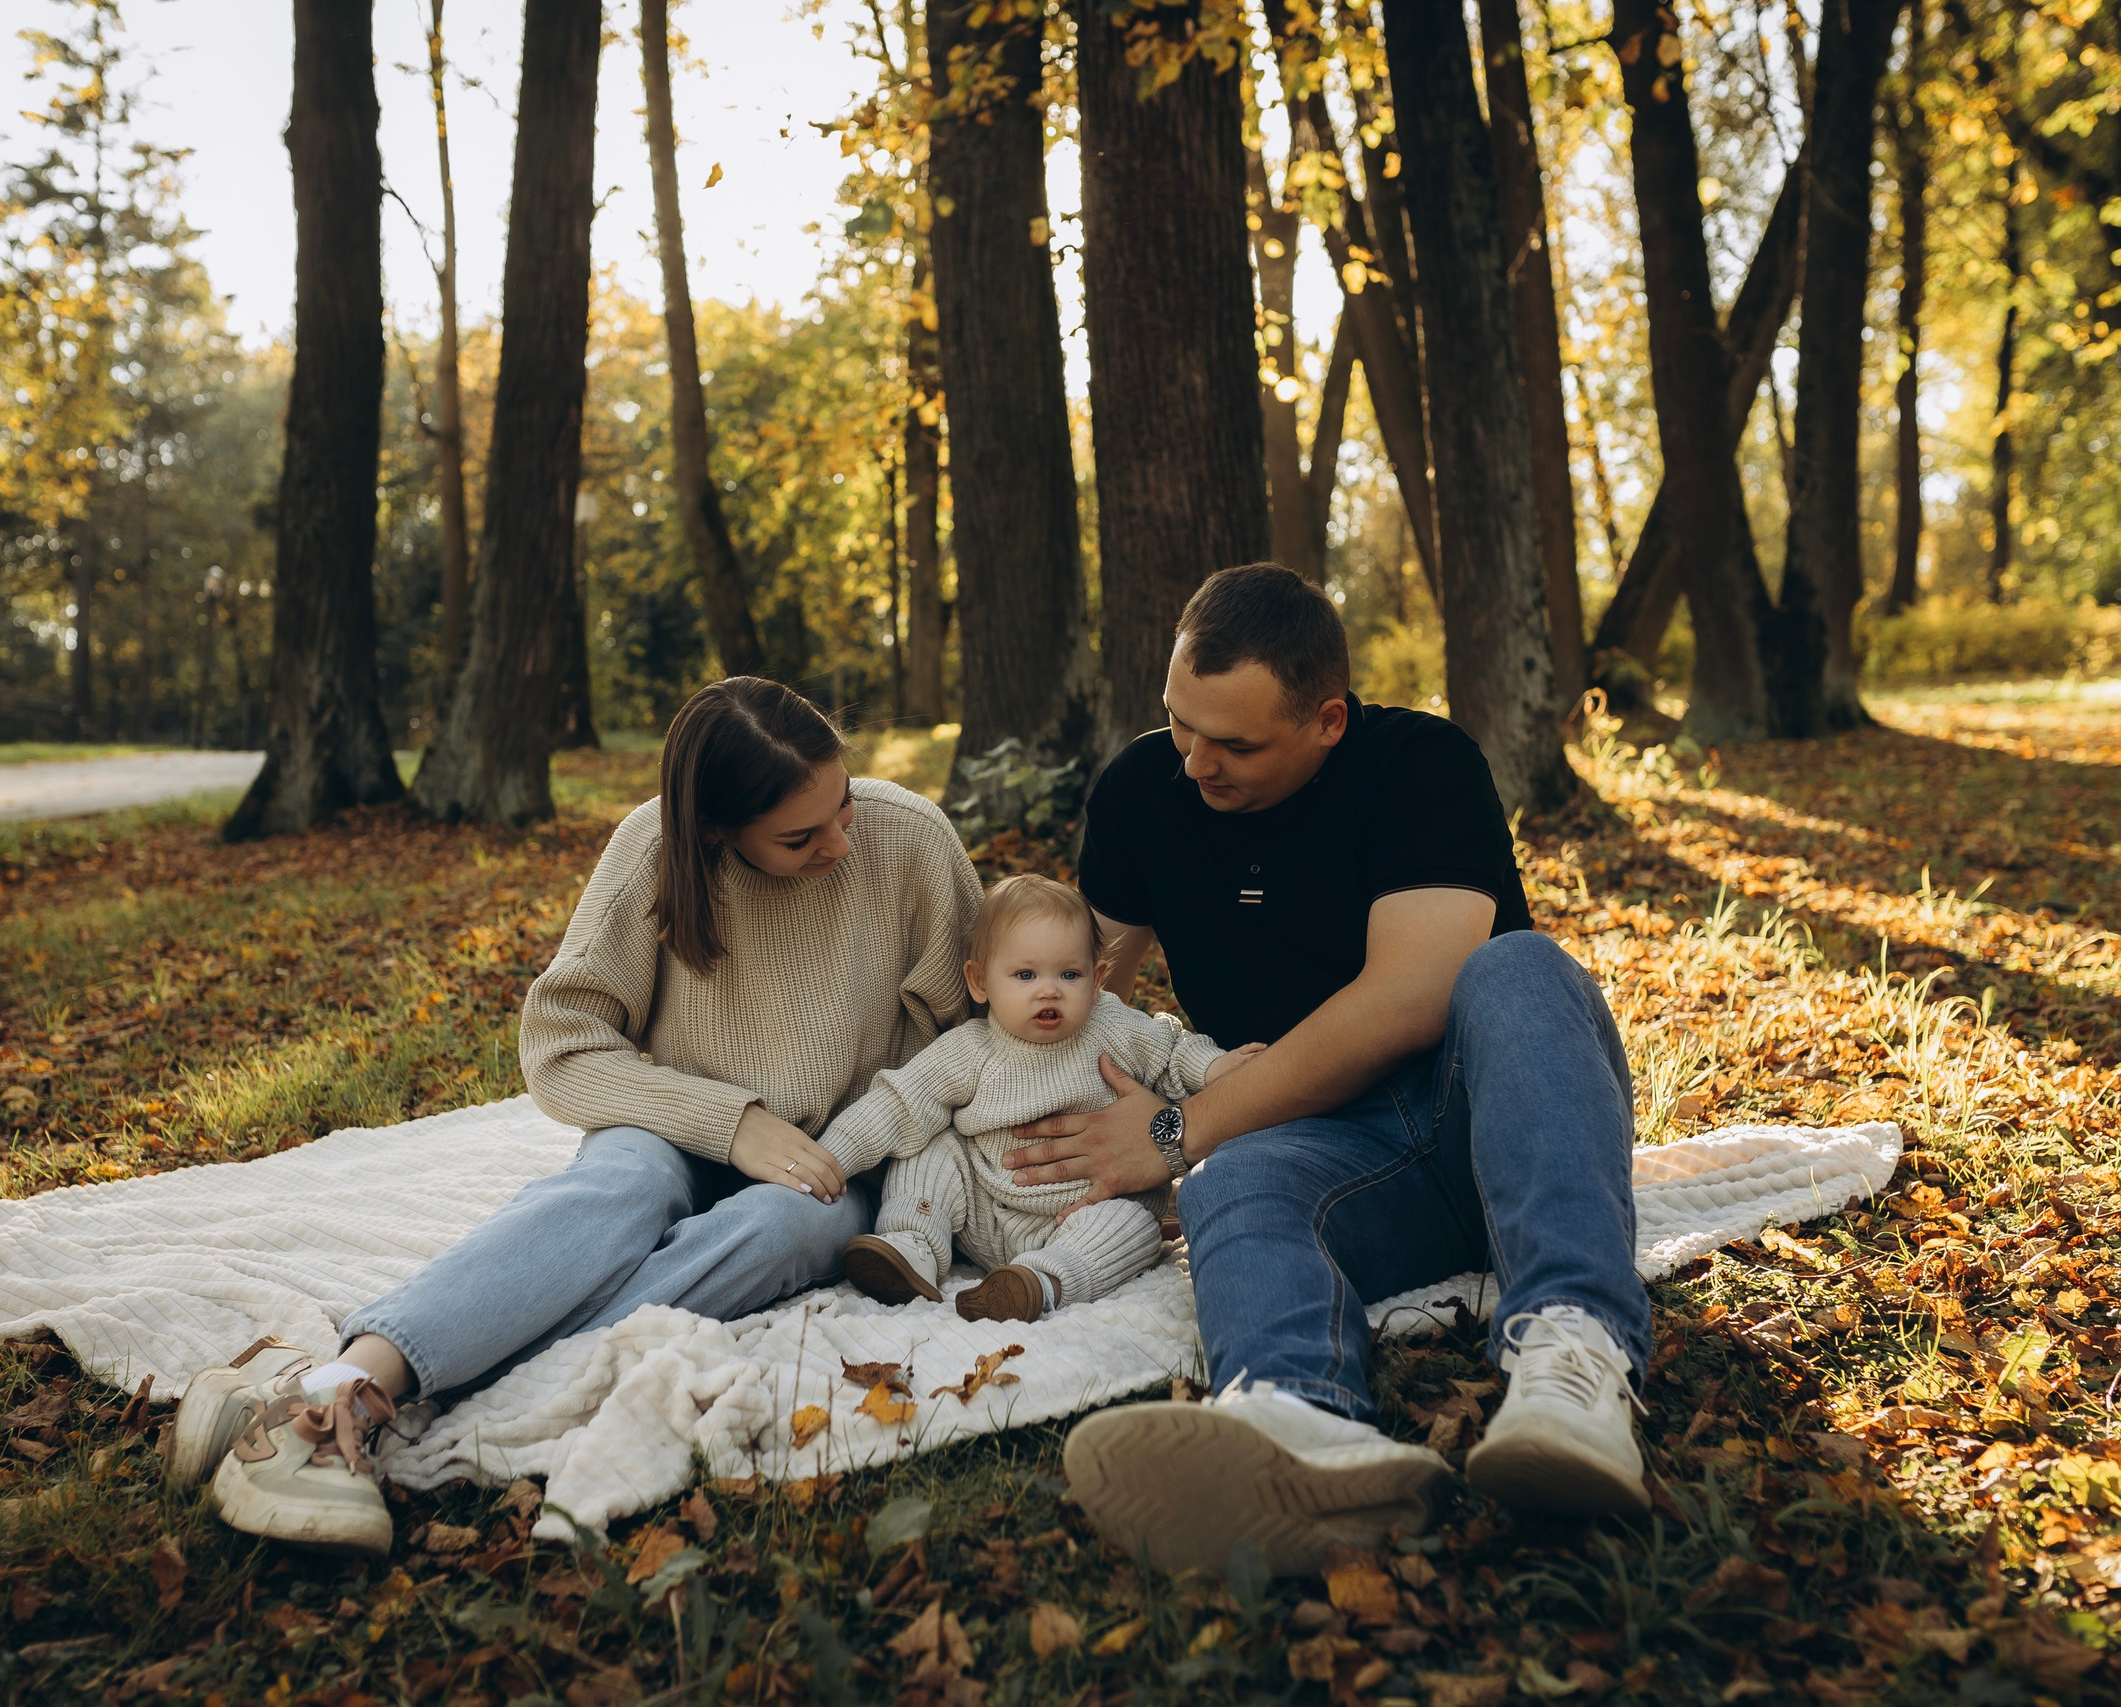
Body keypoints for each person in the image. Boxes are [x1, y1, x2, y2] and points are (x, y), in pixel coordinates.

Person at [168, 677, 983, 1556]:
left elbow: (982, 1038)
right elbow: (561, 1042)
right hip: (672, 1127)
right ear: (716, 831)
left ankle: (333, 1392)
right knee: (620, 1183)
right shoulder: (654, 852)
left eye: (845, 805)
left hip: (836, 1159)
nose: (840, 841)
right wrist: (727, 1121)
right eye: (799, 835)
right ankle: (342, 1385)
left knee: (783, 1226)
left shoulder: (912, 843)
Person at [1032, 564, 1650, 1576]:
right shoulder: (1146, 791)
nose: (1195, 764)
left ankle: (1575, 1359)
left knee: (1517, 965)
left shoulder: (1419, 766)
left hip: (1492, 1122)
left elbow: (1407, 998)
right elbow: (1071, 988)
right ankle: (1299, 1428)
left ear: (1325, 722)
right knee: (1227, 1177)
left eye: (1234, 743)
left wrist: (1183, 1125)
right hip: (1332, 1161)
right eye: (1181, 724)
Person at [822, 873, 1261, 1323]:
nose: (1048, 989)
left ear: (1097, 981)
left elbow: (1173, 1051)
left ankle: (1041, 1283)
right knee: (929, 1146)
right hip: (984, 1208)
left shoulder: (1114, 1027)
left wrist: (1215, 1069)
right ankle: (911, 1247)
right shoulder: (970, 1049)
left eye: (1069, 974)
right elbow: (897, 1104)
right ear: (979, 982)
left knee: (1131, 1225)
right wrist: (828, 1159)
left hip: (1083, 1212)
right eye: (1025, 974)